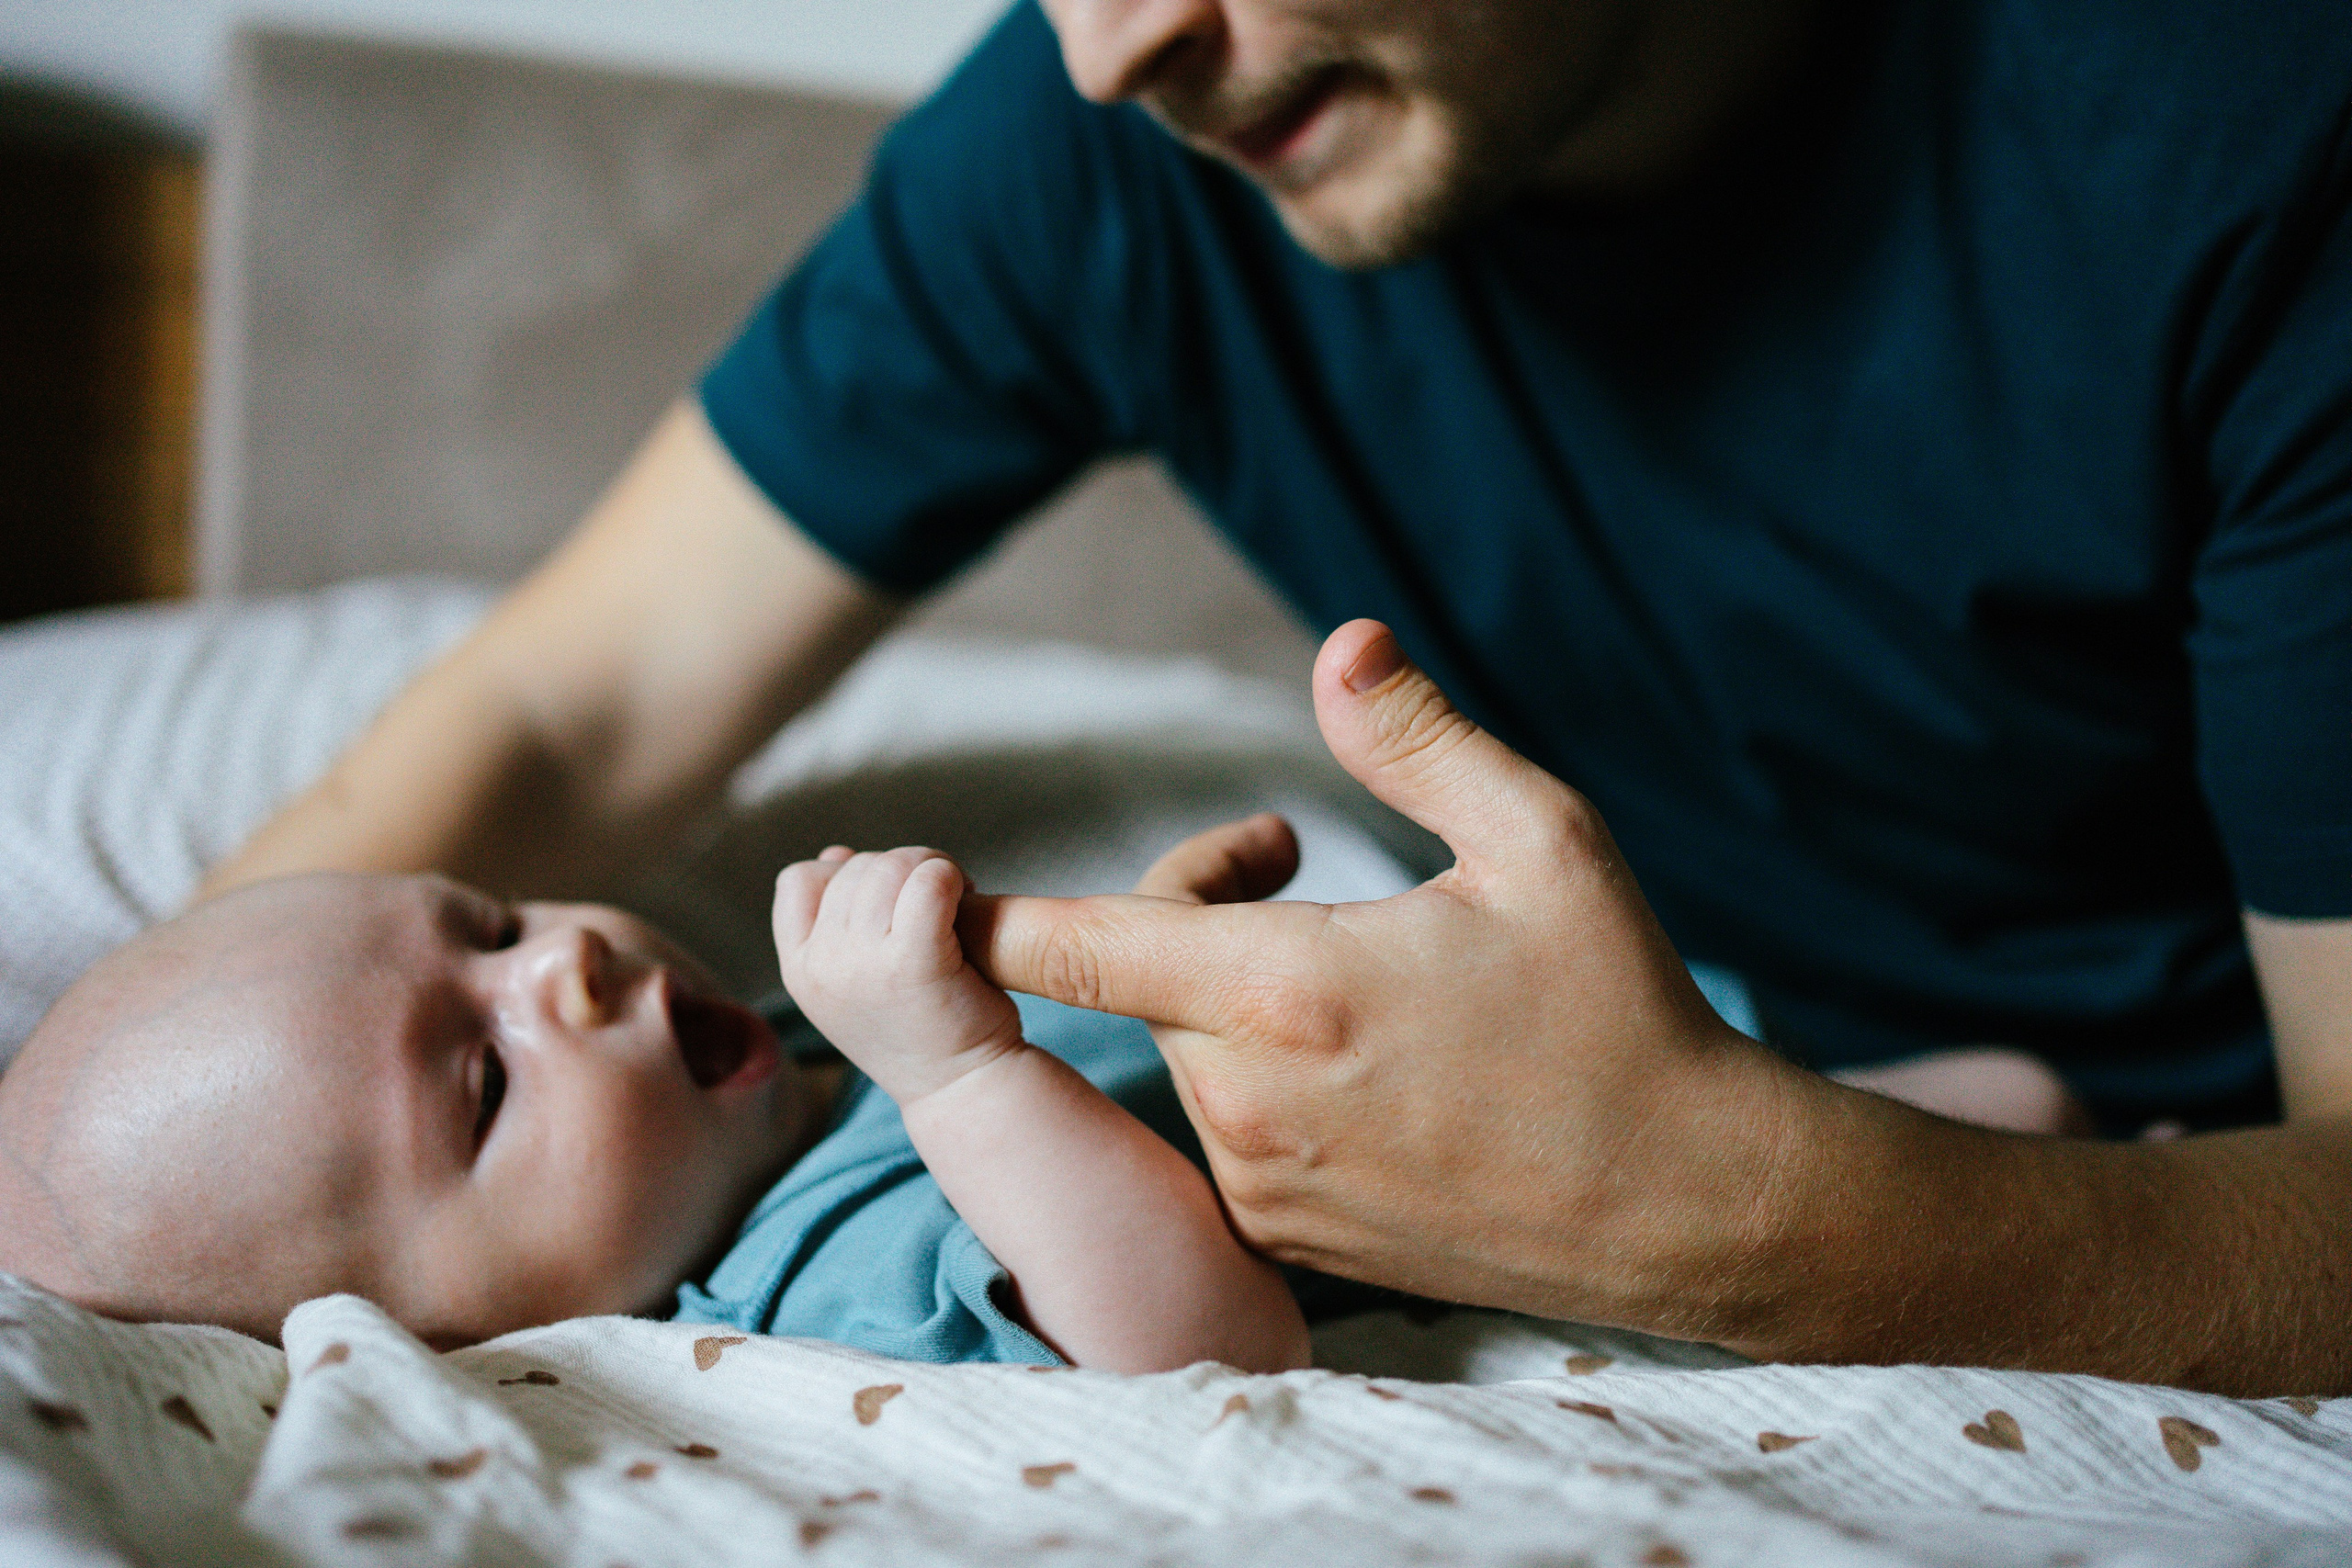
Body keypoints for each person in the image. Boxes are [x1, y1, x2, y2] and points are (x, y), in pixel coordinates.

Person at [200, 0, 2352, 1394]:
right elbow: (568, 716)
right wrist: (117, 1138)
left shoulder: (2238, 126)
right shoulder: (1097, 159)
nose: (1110, 48)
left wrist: (1767, 1215)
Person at [0, 852, 1306, 1371]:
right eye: (488, 1081)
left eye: (492, 926)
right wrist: (963, 1076)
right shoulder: (817, 1296)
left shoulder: (798, 1064)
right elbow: (1206, 1362)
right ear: (456, 1340)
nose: (560, 964)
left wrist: (1140, 953)